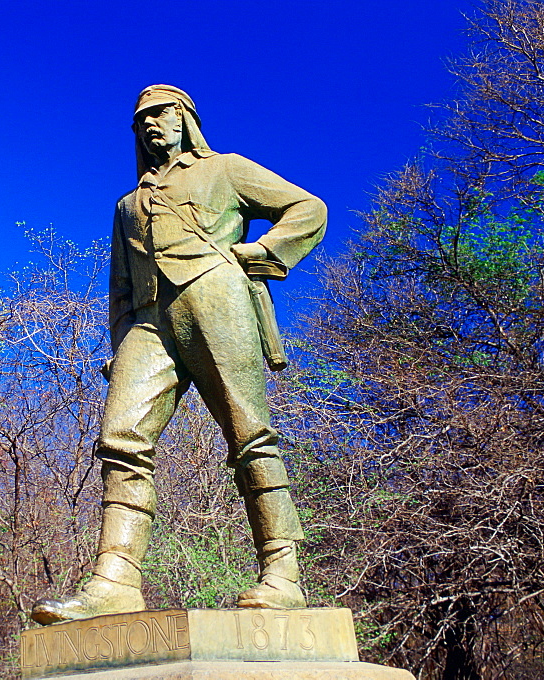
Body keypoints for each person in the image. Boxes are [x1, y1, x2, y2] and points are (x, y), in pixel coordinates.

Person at [31, 84, 327, 625]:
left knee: (250, 431)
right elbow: (120, 288)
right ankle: (114, 580)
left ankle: (283, 574)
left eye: (161, 114)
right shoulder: (126, 206)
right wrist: (121, 345)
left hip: (216, 298)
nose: (150, 124)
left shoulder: (227, 170)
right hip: (149, 320)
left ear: (185, 118)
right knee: (120, 437)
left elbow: (308, 208)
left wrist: (260, 253)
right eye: (141, 119)